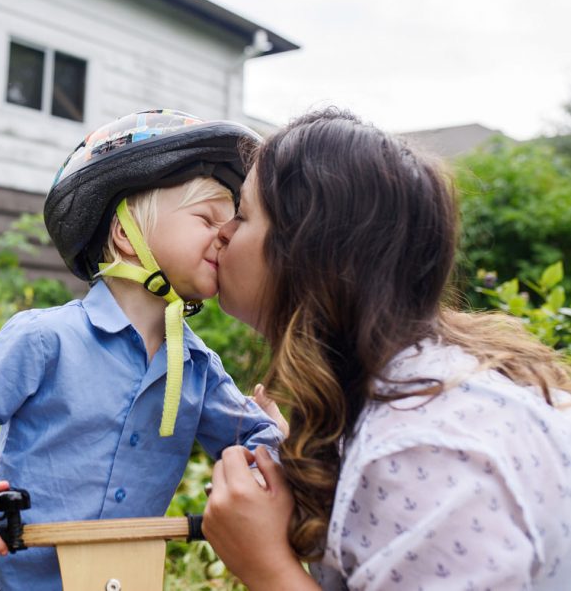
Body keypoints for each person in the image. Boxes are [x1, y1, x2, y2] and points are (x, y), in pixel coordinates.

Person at [202, 108, 571, 590]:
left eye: (244, 214)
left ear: (309, 252)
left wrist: (264, 564)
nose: (223, 232)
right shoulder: (423, 397)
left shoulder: (427, 450)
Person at [0, 110, 284, 591]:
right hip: (5, 583)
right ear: (124, 236)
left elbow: (258, 446)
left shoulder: (199, 371)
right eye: (205, 218)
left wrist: (277, 442)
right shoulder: (46, 338)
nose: (225, 234)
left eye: (232, 223)